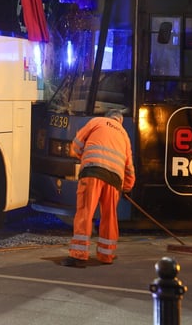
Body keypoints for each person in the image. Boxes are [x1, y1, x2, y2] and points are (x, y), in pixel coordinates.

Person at [61, 109, 135, 267]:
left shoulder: (97, 122)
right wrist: (127, 187)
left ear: (107, 116)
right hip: (114, 180)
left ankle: (79, 256)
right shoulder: (124, 135)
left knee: (85, 212)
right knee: (109, 217)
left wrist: (84, 157)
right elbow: (129, 168)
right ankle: (106, 255)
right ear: (119, 121)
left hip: (92, 172)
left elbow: (76, 145)